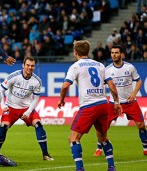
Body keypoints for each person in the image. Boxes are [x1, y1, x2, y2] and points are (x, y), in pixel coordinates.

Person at [57, 40, 122, 171]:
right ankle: (111, 167)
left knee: (73, 139)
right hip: (103, 104)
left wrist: (61, 99)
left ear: (75, 52)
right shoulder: (100, 65)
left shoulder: (76, 66)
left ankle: (79, 169)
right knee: (103, 137)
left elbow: (65, 86)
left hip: (88, 106)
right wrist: (116, 102)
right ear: (88, 51)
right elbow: (112, 85)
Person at [0, 56, 53, 161]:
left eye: (32, 66)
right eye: (28, 65)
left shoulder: (37, 81)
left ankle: (45, 154)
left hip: (26, 108)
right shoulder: (14, 76)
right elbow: (0, 91)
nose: (30, 68)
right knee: (3, 126)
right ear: (23, 65)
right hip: (11, 108)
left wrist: (29, 111)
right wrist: (3, 105)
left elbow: (35, 99)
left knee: (38, 124)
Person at [93, 45, 147, 157]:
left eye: (116, 52)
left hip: (130, 102)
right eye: (112, 53)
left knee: (141, 125)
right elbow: (100, 85)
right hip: (113, 103)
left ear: (121, 54)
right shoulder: (107, 70)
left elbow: (139, 81)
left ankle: (145, 147)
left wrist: (133, 94)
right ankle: (99, 148)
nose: (114, 55)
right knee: (103, 127)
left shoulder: (129, 67)